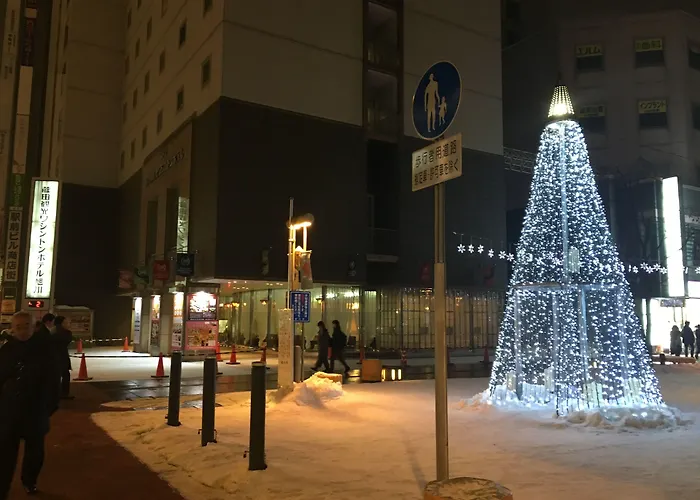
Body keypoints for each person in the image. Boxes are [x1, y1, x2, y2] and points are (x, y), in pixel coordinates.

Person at [0, 311, 60, 497]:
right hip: (9, 409)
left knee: (35, 451)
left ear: (34, 327)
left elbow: (53, 380)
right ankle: (2, 486)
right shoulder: (6, 350)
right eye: (18, 327)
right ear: (12, 328)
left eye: (26, 325)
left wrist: (49, 405)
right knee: (5, 453)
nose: (22, 330)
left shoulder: (45, 349)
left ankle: (29, 481)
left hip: (36, 408)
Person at [53, 316, 74, 399]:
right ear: (61, 324)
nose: (68, 324)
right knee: (65, 375)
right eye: (66, 323)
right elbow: (66, 341)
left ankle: (57, 393)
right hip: (62, 357)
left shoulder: (52, 332)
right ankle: (64, 393)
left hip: (54, 357)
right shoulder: (66, 333)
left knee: (56, 376)